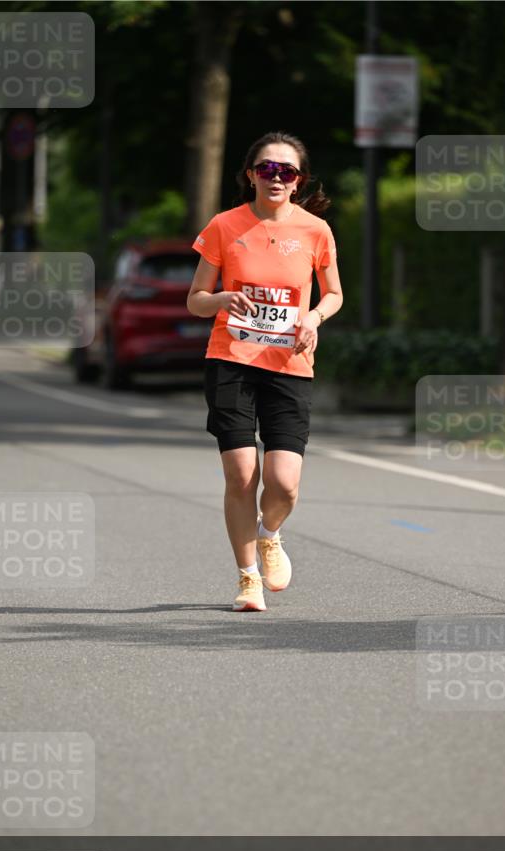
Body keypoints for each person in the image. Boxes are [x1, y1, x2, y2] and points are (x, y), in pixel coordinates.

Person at [187, 130, 343, 611]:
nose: (276, 178)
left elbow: (333, 293)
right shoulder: (224, 226)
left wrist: (314, 317)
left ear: (299, 181)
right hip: (231, 360)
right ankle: (247, 577)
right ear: (251, 174)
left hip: (290, 364)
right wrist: (221, 298)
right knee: (241, 474)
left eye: (287, 171)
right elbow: (195, 300)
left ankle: (269, 533)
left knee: (284, 482)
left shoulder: (316, 231)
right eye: (266, 169)